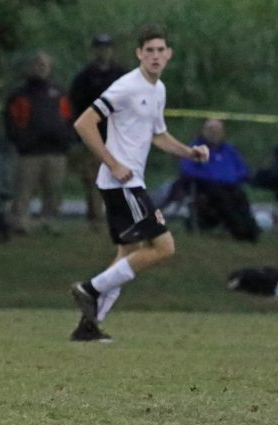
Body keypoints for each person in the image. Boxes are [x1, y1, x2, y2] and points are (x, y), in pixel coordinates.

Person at [69, 24, 210, 342]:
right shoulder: (126, 87)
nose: (156, 56)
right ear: (139, 54)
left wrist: (190, 153)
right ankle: (90, 288)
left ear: (169, 55)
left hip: (129, 182)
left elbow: (158, 135)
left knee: (127, 254)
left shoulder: (157, 90)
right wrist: (114, 163)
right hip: (123, 183)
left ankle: (88, 326)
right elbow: (84, 123)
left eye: (161, 50)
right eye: (150, 51)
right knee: (163, 247)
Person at [4, 50, 73, 234]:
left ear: (50, 68)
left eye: (44, 64)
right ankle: (20, 222)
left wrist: (65, 139)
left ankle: (49, 222)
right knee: (23, 190)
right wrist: (22, 141)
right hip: (29, 152)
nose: (40, 68)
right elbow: (12, 120)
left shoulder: (59, 92)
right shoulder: (20, 94)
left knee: (54, 191)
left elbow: (68, 117)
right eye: (36, 64)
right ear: (29, 68)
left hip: (55, 151)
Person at [69, 34, 128, 230]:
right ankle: (96, 219)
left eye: (107, 47)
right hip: (94, 134)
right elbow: (75, 105)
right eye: (100, 47)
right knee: (94, 178)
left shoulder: (121, 75)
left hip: (118, 134)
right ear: (95, 50)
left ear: (112, 50)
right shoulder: (85, 76)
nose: (104, 51)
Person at [176, 119, 259, 241]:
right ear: (204, 132)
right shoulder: (195, 148)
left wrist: (235, 177)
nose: (214, 134)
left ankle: (251, 229)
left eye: (217, 131)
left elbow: (243, 169)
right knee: (223, 198)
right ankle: (239, 231)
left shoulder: (229, 150)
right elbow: (187, 169)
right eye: (211, 130)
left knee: (240, 196)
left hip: (230, 185)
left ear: (223, 133)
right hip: (205, 186)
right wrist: (211, 176)